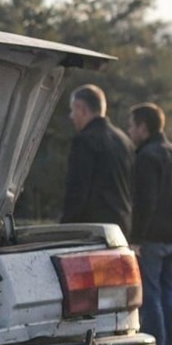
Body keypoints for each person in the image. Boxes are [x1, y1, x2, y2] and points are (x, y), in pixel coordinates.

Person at [127, 102, 172, 345]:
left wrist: (136, 238)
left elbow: (145, 202)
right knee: (168, 293)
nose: (129, 131)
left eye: (132, 125)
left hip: (152, 237)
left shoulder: (147, 156)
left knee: (151, 293)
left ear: (143, 128)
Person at [62, 84, 135, 235]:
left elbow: (78, 189)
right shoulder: (124, 140)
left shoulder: (84, 141)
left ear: (81, 108)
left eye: (72, 110)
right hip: (121, 227)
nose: (71, 116)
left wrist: (65, 227)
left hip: (93, 229)